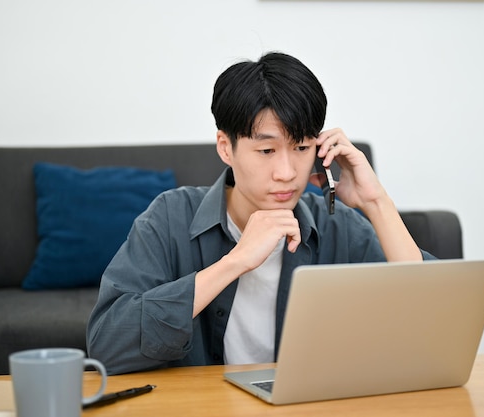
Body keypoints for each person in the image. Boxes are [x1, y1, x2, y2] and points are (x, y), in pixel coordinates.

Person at [86, 51, 435, 375]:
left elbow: (431, 323)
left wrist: (376, 202)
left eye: (301, 148)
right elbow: (106, 346)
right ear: (226, 147)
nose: (286, 171)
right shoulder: (170, 215)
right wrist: (235, 261)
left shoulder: (335, 223)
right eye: (267, 150)